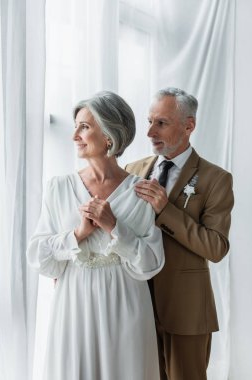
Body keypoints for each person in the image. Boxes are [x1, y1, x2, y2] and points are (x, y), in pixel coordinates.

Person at [26, 91, 165, 380]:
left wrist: (114, 226)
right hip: (73, 303)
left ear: (110, 135)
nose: (74, 135)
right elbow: (38, 257)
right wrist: (78, 234)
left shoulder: (141, 191)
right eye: (76, 126)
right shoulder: (59, 187)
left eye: (84, 127)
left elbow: (149, 264)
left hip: (125, 304)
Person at [125, 87, 234, 380]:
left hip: (186, 312)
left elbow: (216, 247)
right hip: (134, 306)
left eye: (161, 122)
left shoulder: (216, 179)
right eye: (149, 121)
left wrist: (165, 209)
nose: (149, 132)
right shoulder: (132, 170)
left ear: (189, 126)